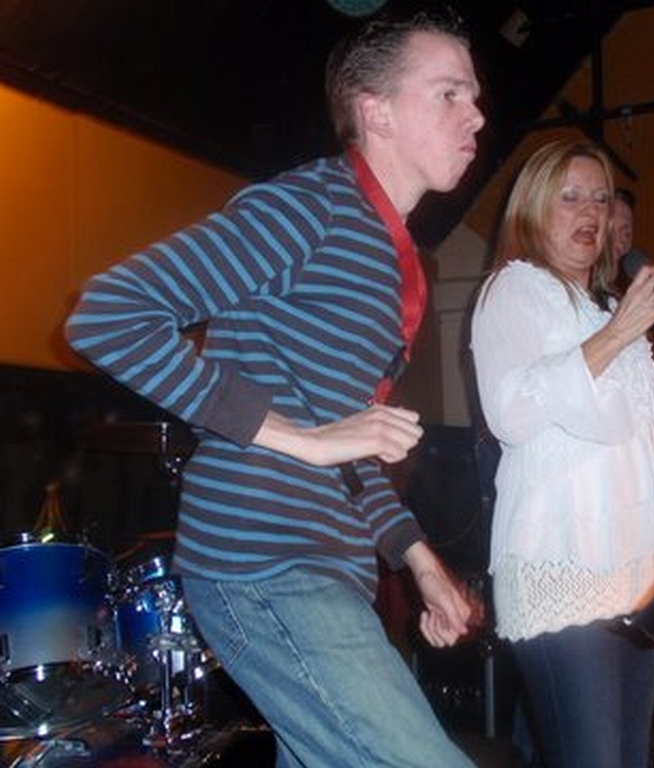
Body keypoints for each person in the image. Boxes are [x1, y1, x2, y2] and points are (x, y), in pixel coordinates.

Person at [64, 8, 485, 768]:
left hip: (329, 568)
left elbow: (346, 444)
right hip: (265, 563)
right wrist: (303, 440)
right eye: (449, 93)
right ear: (377, 112)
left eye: (474, 97)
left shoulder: (396, 258)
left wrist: (420, 562)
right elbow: (108, 315)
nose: (477, 115)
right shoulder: (309, 206)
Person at [469, 139, 654, 768]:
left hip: (640, 573)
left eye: (599, 199)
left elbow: (636, 451)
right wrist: (620, 332)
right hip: (562, 563)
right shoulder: (513, 291)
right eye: (570, 197)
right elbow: (511, 413)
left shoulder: (606, 308)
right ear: (533, 207)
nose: (590, 212)